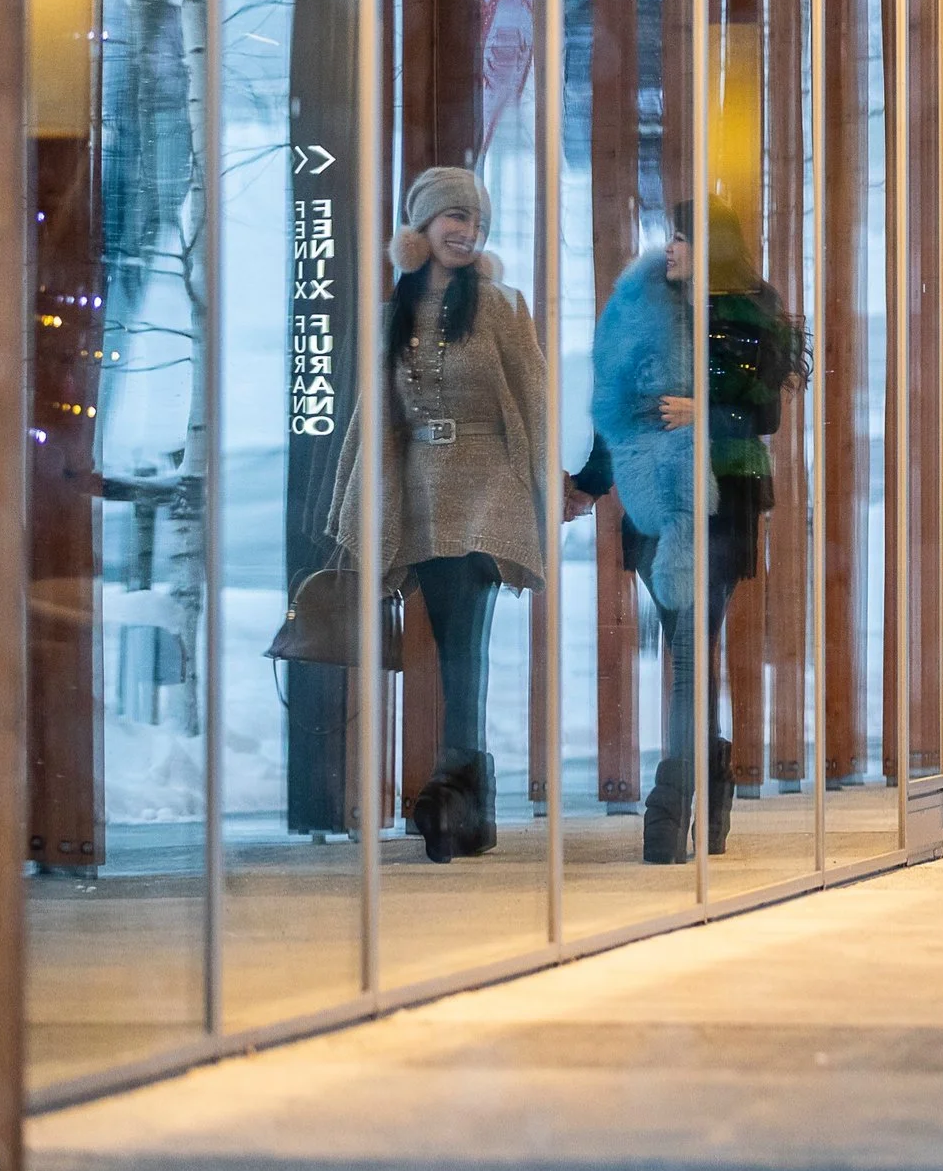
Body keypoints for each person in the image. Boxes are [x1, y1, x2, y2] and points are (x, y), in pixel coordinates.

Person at [573, 198, 805, 865]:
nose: (668, 249)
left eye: (682, 238)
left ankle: (672, 799)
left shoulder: (750, 312)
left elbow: (766, 413)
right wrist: (589, 484)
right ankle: (710, 778)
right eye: (669, 236)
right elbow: (616, 406)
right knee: (686, 647)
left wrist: (709, 407)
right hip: (652, 499)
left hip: (724, 492)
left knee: (687, 647)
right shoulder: (643, 308)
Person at [331, 165, 548, 864]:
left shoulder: (501, 305)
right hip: (419, 491)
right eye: (453, 217)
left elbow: (536, 401)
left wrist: (551, 489)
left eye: (475, 222)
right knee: (456, 647)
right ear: (420, 226)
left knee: (461, 643)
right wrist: (354, 498)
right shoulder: (393, 307)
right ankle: (468, 804)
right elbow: (375, 413)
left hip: (487, 490)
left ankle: (451, 796)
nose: (465, 231)